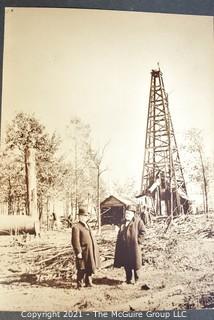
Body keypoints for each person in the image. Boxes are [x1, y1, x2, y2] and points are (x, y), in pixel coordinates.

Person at [114, 204, 146, 284]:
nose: (127, 215)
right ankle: (128, 279)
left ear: (133, 214)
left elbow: (143, 232)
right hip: (124, 247)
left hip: (134, 247)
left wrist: (138, 241)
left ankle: (137, 280)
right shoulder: (122, 222)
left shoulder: (138, 221)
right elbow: (120, 232)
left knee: (135, 264)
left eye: (129, 213)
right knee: (126, 264)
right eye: (126, 213)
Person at [71, 208, 100, 288]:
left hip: (89, 251)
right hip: (83, 251)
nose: (84, 217)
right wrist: (78, 252)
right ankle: (79, 285)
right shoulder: (76, 227)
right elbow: (75, 241)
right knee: (81, 268)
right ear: (79, 217)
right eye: (82, 216)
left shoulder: (87, 225)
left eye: (85, 216)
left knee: (89, 266)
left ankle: (88, 283)